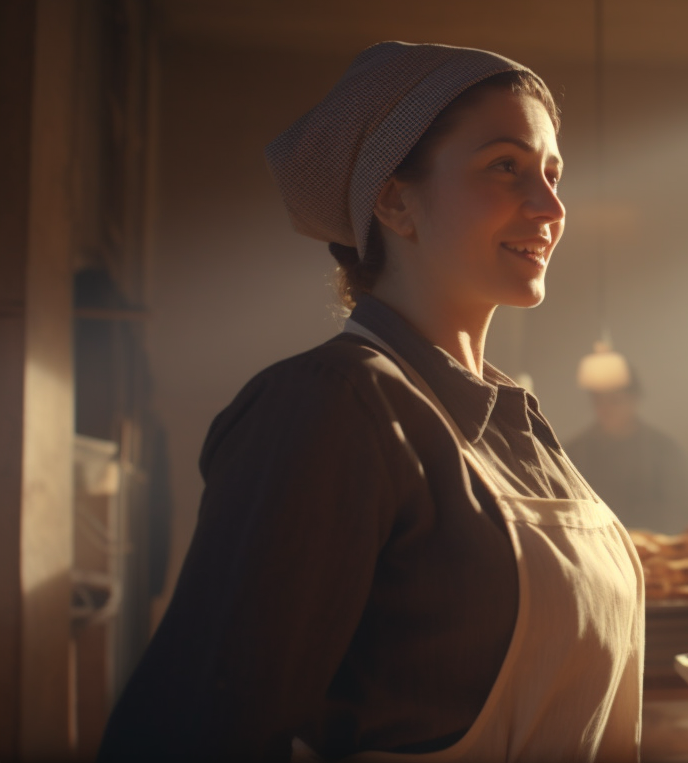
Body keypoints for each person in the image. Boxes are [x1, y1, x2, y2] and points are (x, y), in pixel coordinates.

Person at [98, 42, 643, 762]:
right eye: (505, 166)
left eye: (551, 172)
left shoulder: (519, 425)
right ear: (394, 200)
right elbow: (188, 731)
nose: (550, 206)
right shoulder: (333, 407)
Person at [566, 348, 688, 534]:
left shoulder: (664, 452)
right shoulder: (575, 453)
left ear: (634, 399)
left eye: (615, 400)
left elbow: (679, 513)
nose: (605, 408)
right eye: (598, 400)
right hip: (595, 548)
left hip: (651, 552)